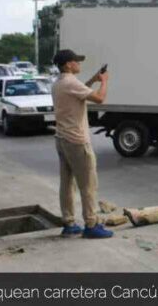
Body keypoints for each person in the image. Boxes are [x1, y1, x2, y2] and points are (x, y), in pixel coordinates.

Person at [51, 49, 113, 239]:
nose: (79, 64)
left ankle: (69, 223)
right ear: (68, 64)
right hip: (77, 141)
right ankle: (91, 224)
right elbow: (100, 99)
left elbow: (79, 92)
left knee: (67, 183)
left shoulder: (59, 83)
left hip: (62, 139)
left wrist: (93, 80)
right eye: (76, 61)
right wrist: (104, 81)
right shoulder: (71, 82)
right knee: (88, 185)